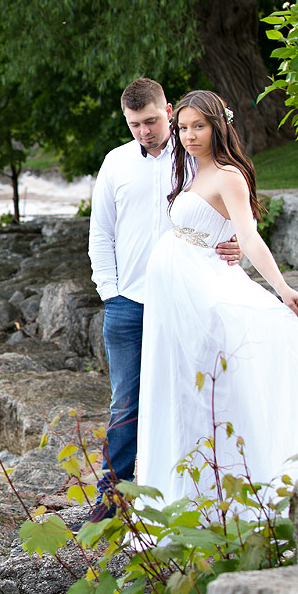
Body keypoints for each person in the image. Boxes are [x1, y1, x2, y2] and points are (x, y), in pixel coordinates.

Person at [135, 89, 298, 505]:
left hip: (201, 291)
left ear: (219, 126)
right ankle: (183, 487)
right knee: (177, 384)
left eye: (199, 126)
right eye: (183, 127)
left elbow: (248, 235)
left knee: (211, 384)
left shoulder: (229, 175)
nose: (190, 135)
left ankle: (228, 487)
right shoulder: (192, 169)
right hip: (177, 292)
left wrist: (281, 287)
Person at [87, 78, 240, 523]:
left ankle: (194, 491)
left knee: (189, 393)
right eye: (135, 124)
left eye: (151, 121)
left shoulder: (197, 157)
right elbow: (102, 234)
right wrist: (109, 292)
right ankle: (110, 501)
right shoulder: (115, 163)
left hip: (185, 298)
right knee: (126, 402)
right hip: (128, 302)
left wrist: (235, 246)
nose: (145, 132)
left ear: (168, 111)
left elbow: (231, 211)